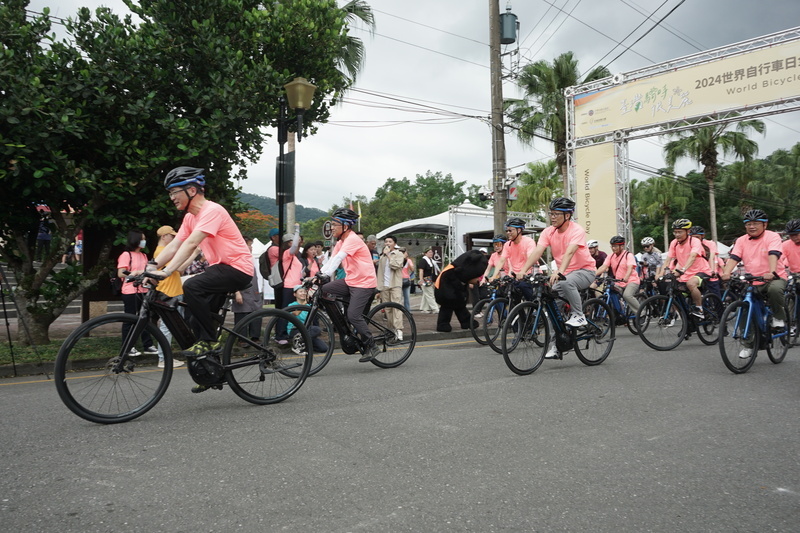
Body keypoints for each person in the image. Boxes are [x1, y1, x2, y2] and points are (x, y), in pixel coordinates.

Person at [148, 166, 253, 391]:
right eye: (169, 193)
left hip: (237, 268)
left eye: (174, 191)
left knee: (193, 286)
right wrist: (151, 266)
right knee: (195, 318)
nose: (171, 197)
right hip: (219, 269)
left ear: (192, 190)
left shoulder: (212, 211)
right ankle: (211, 371)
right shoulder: (189, 217)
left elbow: (191, 244)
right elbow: (175, 244)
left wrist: (167, 271)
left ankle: (209, 341)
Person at [519, 197, 597, 358]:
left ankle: (579, 315)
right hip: (564, 274)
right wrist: (523, 270)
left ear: (567, 216)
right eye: (551, 214)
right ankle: (556, 346)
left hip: (585, 271)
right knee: (551, 307)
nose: (552, 217)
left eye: (556, 214)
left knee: (567, 282)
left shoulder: (577, 230)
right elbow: (537, 252)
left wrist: (560, 271)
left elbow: (570, 252)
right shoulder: (548, 232)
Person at [315, 208, 381, 361]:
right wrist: (315, 276)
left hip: (364, 283)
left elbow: (339, 259)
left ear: (345, 226)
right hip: (351, 280)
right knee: (323, 290)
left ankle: (371, 344)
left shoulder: (352, 239)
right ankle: (344, 328)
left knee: (353, 315)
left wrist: (324, 274)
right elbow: (332, 260)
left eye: (334, 224)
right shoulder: (341, 241)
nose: (331, 227)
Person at [720, 209, 787, 340]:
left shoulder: (772, 236)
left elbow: (773, 254)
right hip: (752, 280)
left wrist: (772, 272)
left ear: (765, 225)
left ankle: (778, 317)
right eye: (748, 224)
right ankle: (748, 343)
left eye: (756, 223)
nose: (752, 226)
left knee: (774, 289)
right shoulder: (741, 240)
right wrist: (726, 272)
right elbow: (734, 257)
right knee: (744, 307)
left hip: (774, 277)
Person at [656, 219, 711, 319]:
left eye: (679, 232)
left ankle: (699, 309)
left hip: (701, 270)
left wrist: (683, 269)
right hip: (684, 273)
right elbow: (668, 259)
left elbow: (693, 256)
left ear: (688, 232)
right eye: (675, 232)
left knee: (691, 283)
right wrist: (660, 274)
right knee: (672, 288)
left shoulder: (695, 241)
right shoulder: (674, 243)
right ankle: (685, 320)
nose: (677, 234)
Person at [118, 229, 158, 357]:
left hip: (144, 289)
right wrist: (133, 273)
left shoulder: (144, 256)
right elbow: (121, 273)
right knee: (129, 318)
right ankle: (128, 346)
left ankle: (148, 345)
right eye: (142, 239)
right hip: (130, 290)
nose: (144, 241)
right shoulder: (126, 255)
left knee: (145, 317)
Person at [153, 225, 189, 368]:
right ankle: (164, 359)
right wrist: (193, 254)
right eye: (172, 236)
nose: (174, 238)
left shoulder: (162, 252)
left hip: (173, 292)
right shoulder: (162, 252)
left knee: (171, 327)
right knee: (167, 328)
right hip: (169, 293)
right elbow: (179, 268)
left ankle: (165, 357)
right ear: (164, 236)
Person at [594, 235, 641, 314]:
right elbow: (604, 267)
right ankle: (618, 312)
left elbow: (630, 268)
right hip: (619, 282)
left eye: (615, 246)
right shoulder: (611, 256)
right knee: (609, 291)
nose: (613, 248)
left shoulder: (628, 255)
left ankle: (640, 313)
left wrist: (626, 277)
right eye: (612, 246)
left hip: (631, 281)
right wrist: (593, 275)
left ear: (622, 246)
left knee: (627, 295)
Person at [231, 237, 263, 347]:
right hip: (242, 290)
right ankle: (242, 339)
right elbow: (233, 277)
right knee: (242, 314)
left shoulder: (249, 258)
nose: (251, 247)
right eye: (249, 245)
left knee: (256, 313)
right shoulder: (236, 259)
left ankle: (255, 337)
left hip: (253, 290)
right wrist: (236, 292)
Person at [275, 224, 302, 344]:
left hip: (296, 286)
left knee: (293, 311)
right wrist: (297, 230)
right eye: (294, 241)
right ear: (289, 243)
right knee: (286, 311)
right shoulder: (287, 253)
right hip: (289, 286)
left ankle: (288, 333)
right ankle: (280, 335)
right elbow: (296, 245)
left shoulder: (294, 257)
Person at [377, 234, 405, 340]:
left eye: (390, 242)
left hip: (395, 284)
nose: (387, 244)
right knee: (387, 308)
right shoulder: (382, 256)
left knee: (396, 306)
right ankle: (390, 329)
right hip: (384, 285)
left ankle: (399, 329)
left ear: (394, 243)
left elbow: (396, 265)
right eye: (386, 242)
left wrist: (389, 255)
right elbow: (380, 272)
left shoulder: (398, 254)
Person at [287, 284, 329, 354]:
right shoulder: (291, 305)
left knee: (323, 348)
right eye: (300, 292)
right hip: (295, 330)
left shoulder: (309, 306)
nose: (303, 293)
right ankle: (297, 344)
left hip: (307, 330)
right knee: (316, 329)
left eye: (304, 292)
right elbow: (296, 313)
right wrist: (304, 303)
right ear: (295, 294)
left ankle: (303, 346)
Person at [418, 247, 440, 314]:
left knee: (426, 294)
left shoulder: (432, 261)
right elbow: (421, 271)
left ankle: (424, 308)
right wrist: (421, 280)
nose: (431, 253)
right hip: (425, 279)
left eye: (432, 252)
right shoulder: (423, 261)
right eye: (429, 252)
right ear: (425, 253)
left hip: (431, 279)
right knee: (430, 294)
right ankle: (435, 308)